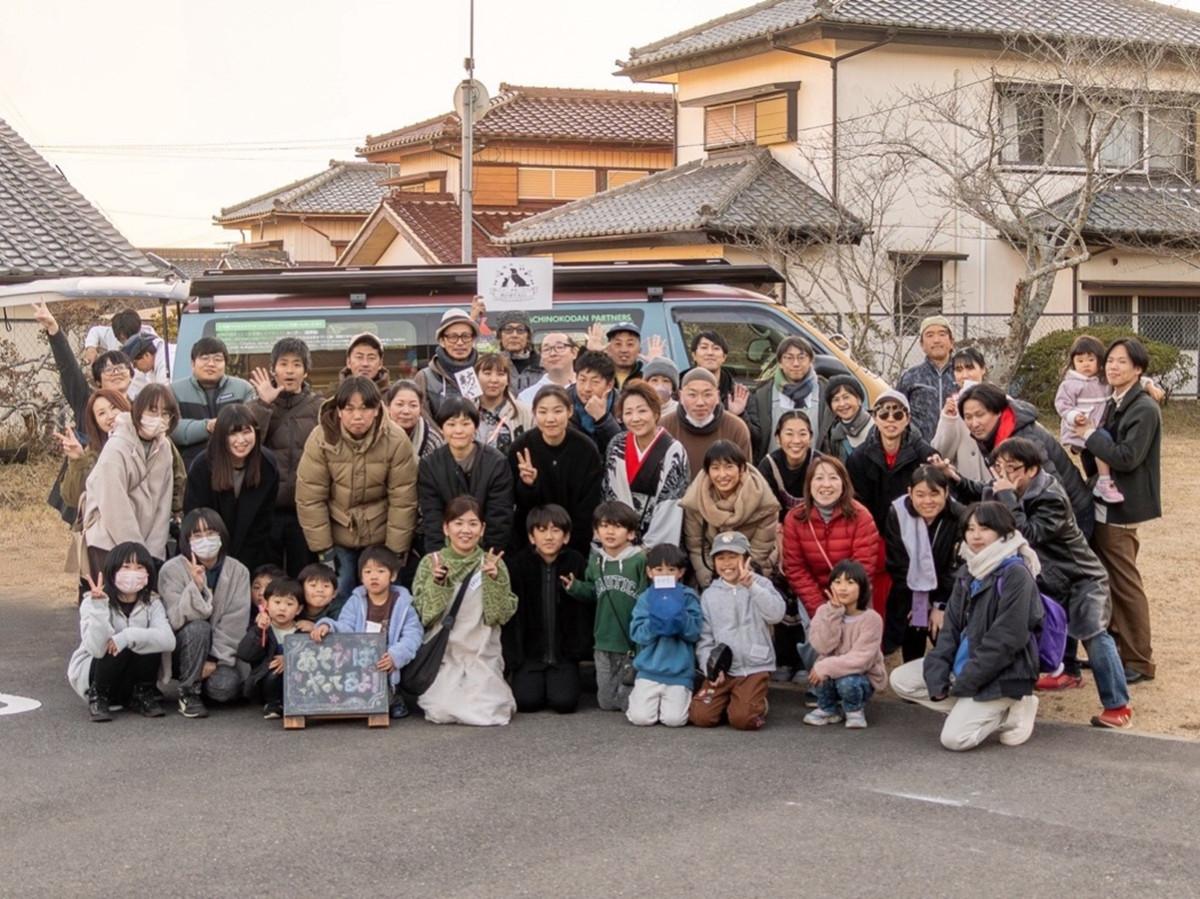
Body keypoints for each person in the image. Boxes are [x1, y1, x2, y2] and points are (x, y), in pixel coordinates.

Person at [988, 437, 1132, 728]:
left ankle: (1118, 707)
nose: (1004, 475)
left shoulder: (1051, 496)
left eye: (1012, 468)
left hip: (1083, 576)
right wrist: (953, 477)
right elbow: (981, 491)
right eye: (999, 467)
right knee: (1058, 622)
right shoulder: (1016, 488)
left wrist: (1006, 498)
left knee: (1093, 632)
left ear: (1032, 470)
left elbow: (1029, 532)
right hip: (1054, 577)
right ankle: (1068, 672)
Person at [889, 502, 1043, 751]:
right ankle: (979, 708)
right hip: (966, 665)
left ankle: (1014, 709)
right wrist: (939, 676)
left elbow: (1005, 641)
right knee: (901, 680)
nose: (976, 536)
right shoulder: (969, 570)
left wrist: (965, 683)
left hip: (1004, 672)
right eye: (970, 529)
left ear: (1004, 531)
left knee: (954, 739)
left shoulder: (1016, 574)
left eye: (984, 528)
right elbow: (949, 630)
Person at [1077, 338, 1163, 685]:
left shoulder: (1142, 407)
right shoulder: (1116, 400)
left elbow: (1127, 456)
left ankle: (1139, 661)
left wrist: (1091, 436)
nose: (1112, 367)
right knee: (1108, 580)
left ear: (1138, 369)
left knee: (1125, 584)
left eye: (1122, 362)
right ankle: (1115, 652)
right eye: (1110, 361)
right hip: (1105, 502)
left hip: (1123, 507)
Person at [295, 376, 418, 603]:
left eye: (365, 408)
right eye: (349, 409)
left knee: (384, 595)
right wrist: (324, 549)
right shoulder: (321, 438)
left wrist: (395, 551)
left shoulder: (396, 439)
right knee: (339, 592)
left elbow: (403, 499)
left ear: (377, 409)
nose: (358, 416)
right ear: (339, 411)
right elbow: (310, 497)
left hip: (381, 533)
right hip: (338, 530)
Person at [412, 497, 518, 726]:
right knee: (439, 710)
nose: (465, 530)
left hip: (481, 652)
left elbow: (499, 616)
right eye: (458, 523)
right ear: (446, 528)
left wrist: (494, 580)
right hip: (444, 654)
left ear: (482, 529)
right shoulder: (431, 562)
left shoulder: (493, 563)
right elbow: (426, 616)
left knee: (492, 711)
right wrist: (438, 583)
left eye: (472, 524)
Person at [954, 382, 1094, 537]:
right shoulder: (992, 434)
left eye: (980, 415)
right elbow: (999, 484)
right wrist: (956, 479)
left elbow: (1052, 488)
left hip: (1070, 513)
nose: (974, 423)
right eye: (968, 417)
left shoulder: (1024, 440)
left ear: (999, 412)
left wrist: (1009, 499)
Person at [157, 509, 251, 718]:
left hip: (218, 655)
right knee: (199, 627)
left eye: (210, 533)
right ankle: (188, 692)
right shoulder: (171, 570)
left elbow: (235, 622)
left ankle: (202, 684)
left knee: (223, 689)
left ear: (221, 535)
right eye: (197, 535)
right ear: (187, 540)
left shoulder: (238, 571)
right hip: (182, 646)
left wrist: (213, 658)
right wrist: (196, 588)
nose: (205, 540)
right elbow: (174, 618)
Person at [689, 531, 786, 731]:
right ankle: (734, 702)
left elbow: (776, 614)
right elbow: (705, 639)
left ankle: (752, 704)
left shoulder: (762, 584)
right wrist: (711, 668)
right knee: (700, 717)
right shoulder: (709, 595)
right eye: (720, 558)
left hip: (754, 666)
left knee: (743, 720)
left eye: (733, 557)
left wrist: (752, 587)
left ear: (746, 558)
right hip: (724, 668)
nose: (727, 564)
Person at [311, 547, 424, 720]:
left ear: (392, 576)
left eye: (380, 571)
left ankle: (395, 697)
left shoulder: (403, 604)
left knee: (382, 689)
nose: (374, 576)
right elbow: (345, 626)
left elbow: (413, 635)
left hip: (387, 659)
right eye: (368, 571)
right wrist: (328, 626)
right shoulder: (355, 601)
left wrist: (396, 655)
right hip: (359, 661)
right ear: (361, 576)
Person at [68, 542, 175, 722]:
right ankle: (99, 696)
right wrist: (99, 608)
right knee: (112, 645)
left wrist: (127, 637)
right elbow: (96, 649)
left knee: (148, 641)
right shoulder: (93, 602)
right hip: (99, 673)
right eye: (126, 567)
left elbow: (168, 640)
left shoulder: (153, 602)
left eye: (139, 567)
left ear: (148, 573)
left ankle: (142, 693)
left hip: (131, 677)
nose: (133, 573)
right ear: (113, 571)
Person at [81, 384, 180, 577]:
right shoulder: (115, 448)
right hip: (109, 543)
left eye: (165, 413)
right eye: (152, 410)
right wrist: (136, 551)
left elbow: (163, 502)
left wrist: (154, 552)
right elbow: (114, 506)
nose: (158, 417)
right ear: (137, 409)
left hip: (146, 545)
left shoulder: (165, 447)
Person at [247, 337, 323, 577]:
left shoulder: (319, 407)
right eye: (283, 364)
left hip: (306, 509)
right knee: (268, 575)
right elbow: (245, 444)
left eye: (297, 364)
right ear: (273, 369)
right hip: (268, 508)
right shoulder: (257, 405)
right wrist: (264, 404)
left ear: (306, 371)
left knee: (304, 573)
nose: (290, 371)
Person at [503, 505, 589, 714]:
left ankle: (559, 675)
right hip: (530, 655)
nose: (549, 537)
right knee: (526, 702)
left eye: (556, 530)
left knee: (564, 703)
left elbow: (584, 609)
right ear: (532, 537)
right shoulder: (518, 564)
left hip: (563, 654)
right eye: (541, 530)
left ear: (566, 536)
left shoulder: (575, 562)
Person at [564, 502, 648, 712]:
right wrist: (575, 587)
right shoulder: (595, 561)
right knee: (606, 702)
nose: (610, 531)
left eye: (618, 526)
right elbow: (594, 592)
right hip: (603, 639)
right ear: (596, 531)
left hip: (630, 641)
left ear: (630, 534)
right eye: (604, 526)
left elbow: (646, 599)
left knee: (628, 700)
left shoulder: (640, 560)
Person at [183, 404, 280, 575]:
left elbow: (264, 521)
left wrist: (241, 566)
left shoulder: (267, 465)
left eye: (246, 432)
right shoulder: (203, 466)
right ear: (221, 436)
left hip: (252, 552)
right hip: (207, 549)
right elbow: (194, 515)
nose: (241, 440)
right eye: (233, 433)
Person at [780, 455, 880, 618]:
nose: (826, 485)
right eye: (819, 478)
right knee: (818, 641)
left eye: (833, 478)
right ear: (809, 484)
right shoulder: (794, 518)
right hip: (813, 599)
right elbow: (795, 568)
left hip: (854, 597)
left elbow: (864, 565)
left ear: (843, 483)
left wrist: (844, 602)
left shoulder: (861, 516)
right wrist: (820, 608)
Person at [510, 386, 603, 558]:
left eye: (557, 411)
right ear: (534, 413)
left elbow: (589, 504)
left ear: (569, 411)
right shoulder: (521, 447)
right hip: (529, 542)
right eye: (543, 412)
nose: (550, 419)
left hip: (574, 542)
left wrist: (571, 544)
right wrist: (528, 485)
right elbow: (518, 503)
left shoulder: (586, 449)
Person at [882, 466, 963, 660]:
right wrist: (919, 600)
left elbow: (957, 566)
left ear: (946, 492)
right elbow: (897, 562)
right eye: (920, 494)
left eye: (934, 494)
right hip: (909, 588)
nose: (927, 501)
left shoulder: (959, 516)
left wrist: (940, 604)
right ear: (910, 493)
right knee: (914, 626)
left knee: (946, 635)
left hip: (949, 590)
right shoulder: (897, 513)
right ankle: (913, 679)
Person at [418, 397, 514, 553]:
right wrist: (439, 557)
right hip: (446, 550)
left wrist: (489, 556)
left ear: (475, 427)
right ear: (441, 429)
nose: (458, 430)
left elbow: (500, 517)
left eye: (465, 424)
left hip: (487, 551)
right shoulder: (430, 465)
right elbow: (432, 518)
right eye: (451, 424)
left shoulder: (496, 463)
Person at [601, 381, 690, 547]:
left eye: (642, 411)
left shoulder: (673, 451)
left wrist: (646, 549)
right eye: (628, 412)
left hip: (657, 540)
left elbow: (670, 506)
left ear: (656, 413)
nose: (635, 418)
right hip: (619, 539)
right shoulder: (617, 445)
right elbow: (609, 494)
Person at [681, 441, 780, 589]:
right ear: (707, 472)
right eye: (715, 468)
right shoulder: (695, 502)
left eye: (729, 467)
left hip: (754, 570)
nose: (722, 475)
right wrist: (712, 585)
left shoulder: (764, 502)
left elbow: (760, 551)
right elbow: (697, 548)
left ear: (741, 469)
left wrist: (742, 583)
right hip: (712, 571)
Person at [626, 544, 703, 728]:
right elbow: (637, 633)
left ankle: (679, 698)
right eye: (659, 569)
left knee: (674, 720)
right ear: (650, 572)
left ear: (681, 572)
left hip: (679, 671)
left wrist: (678, 616)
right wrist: (656, 619)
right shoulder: (646, 597)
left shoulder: (688, 596)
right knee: (641, 719)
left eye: (671, 570)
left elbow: (694, 633)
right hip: (649, 669)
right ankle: (639, 700)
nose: (665, 574)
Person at [803, 560, 886, 729]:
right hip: (831, 673)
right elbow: (822, 647)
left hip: (861, 675)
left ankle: (854, 709)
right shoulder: (823, 612)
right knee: (820, 670)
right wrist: (833, 613)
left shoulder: (871, 619)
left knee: (847, 681)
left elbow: (861, 659)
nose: (842, 588)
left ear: (862, 587)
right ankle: (828, 709)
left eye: (850, 582)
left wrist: (826, 666)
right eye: (837, 582)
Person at [846, 389, 937, 533]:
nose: (890, 419)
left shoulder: (925, 455)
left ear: (907, 419)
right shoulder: (858, 458)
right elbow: (856, 504)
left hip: (916, 531)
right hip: (872, 532)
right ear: (875, 418)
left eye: (898, 414)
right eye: (883, 414)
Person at [171, 336, 256, 467]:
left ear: (225, 364)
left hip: (235, 466)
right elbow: (172, 429)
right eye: (204, 358)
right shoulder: (174, 390)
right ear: (193, 363)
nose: (211, 364)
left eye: (218, 359)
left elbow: (251, 427)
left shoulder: (243, 388)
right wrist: (207, 426)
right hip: (190, 469)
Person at [1055, 335, 1121, 503]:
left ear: (1100, 361)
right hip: (1081, 428)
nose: (1086, 364)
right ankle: (1104, 483)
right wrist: (1074, 416)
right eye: (1080, 360)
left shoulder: (1104, 381)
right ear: (1073, 362)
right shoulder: (1070, 384)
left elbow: (1127, 379)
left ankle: (1095, 479)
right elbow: (1062, 404)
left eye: (1091, 359)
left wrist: (1149, 384)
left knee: (1099, 447)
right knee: (1102, 443)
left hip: (1098, 425)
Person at [745, 337, 830, 464]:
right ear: (779, 362)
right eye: (789, 358)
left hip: (815, 472)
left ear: (811, 360)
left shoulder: (826, 392)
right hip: (772, 471)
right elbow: (754, 437)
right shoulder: (762, 394)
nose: (796, 363)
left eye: (801, 357)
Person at [661, 368, 752, 482]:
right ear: (681, 396)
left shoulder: (736, 428)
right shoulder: (664, 426)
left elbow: (744, 478)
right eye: (692, 395)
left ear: (717, 396)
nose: (700, 402)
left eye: (707, 395)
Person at [59, 389, 131, 520]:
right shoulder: (94, 453)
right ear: (96, 422)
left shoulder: (150, 440)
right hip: (108, 524)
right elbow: (71, 498)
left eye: (114, 407)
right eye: (101, 413)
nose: (110, 416)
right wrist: (78, 460)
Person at [238, 577, 303, 719]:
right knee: (274, 672)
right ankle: (272, 703)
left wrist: (290, 659)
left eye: (289, 604)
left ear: (298, 610)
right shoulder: (263, 628)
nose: (282, 608)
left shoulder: (302, 630)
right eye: (277, 602)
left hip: (296, 678)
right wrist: (257, 631)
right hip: (266, 679)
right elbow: (245, 654)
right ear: (266, 604)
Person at [931, 347, 990, 483]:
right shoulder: (952, 405)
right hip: (964, 484)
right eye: (958, 370)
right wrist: (948, 420)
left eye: (970, 368)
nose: (964, 375)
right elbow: (941, 452)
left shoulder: (1000, 400)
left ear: (983, 369)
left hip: (995, 483)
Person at [895, 314, 957, 441]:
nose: (936, 340)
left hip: (958, 451)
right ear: (922, 345)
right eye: (930, 335)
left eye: (942, 334)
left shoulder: (963, 374)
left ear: (952, 342)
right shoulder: (911, 377)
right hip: (919, 451)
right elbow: (897, 415)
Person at [414, 308, 480, 418]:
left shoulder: (482, 373)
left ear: (473, 340)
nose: (460, 343)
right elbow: (422, 416)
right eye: (453, 337)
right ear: (442, 341)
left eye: (465, 336)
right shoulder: (425, 377)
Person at [757, 410, 819, 515]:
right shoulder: (768, 466)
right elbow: (765, 507)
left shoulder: (820, 463)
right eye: (789, 434)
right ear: (778, 438)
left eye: (802, 434)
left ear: (811, 438)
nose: (796, 440)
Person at [474, 352, 534, 455]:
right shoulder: (465, 412)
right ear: (476, 377)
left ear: (507, 380)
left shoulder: (525, 412)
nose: (494, 380)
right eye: (487, 373)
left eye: (500, 374)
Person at [567, 350, 622, 453]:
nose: (587, 388)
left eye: (595, 382)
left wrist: (603, 419)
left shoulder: (622, 404)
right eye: (582, 380)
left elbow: (623, 448)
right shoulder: (564, 401)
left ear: (609, 385)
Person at [688, 329, 748, 413]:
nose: (710, 353)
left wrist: (736, 415)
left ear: (724, 357)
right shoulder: (679, 390)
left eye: (716, 348)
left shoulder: (739, 394)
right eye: (704, 347)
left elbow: (753, 426)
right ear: (694, 355)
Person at [385, 380, 444, 461]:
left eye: (413, 405)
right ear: (388, 407)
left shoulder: (432, 440)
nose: (406, 411)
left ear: (420, 408)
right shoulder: (376, 437)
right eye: (400, 404)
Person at [821, 375, 873, 463]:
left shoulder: (877, 427)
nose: (842, 404)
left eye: (846, 397)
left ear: (859, 399)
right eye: (836, 400)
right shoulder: (834, 435)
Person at [517, 332, 577, 405]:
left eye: (559, 347)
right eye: (546, 349)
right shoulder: (527, 397)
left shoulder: (588, 387)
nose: (553, 354)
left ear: (574, 352)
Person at [492, 310, 543, 392]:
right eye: (508, 329)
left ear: (528, 336)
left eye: (520, 330)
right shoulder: (490, 366)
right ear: (500, 336)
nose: (514, 335)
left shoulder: (543, 366)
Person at [121, 333, 164, 400]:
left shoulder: (165, 362)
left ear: (146, 355)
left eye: (135, 364)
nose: (135, 368)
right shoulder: (152, 366)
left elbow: (164, 396)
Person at [603, 320, 644, 388]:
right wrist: (590, 353)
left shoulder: (646, 378)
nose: (624, 350)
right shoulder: (600, 376)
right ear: (608, 349)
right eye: (618, 344)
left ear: (639, 350)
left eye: (630, 344)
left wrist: (655, 364)